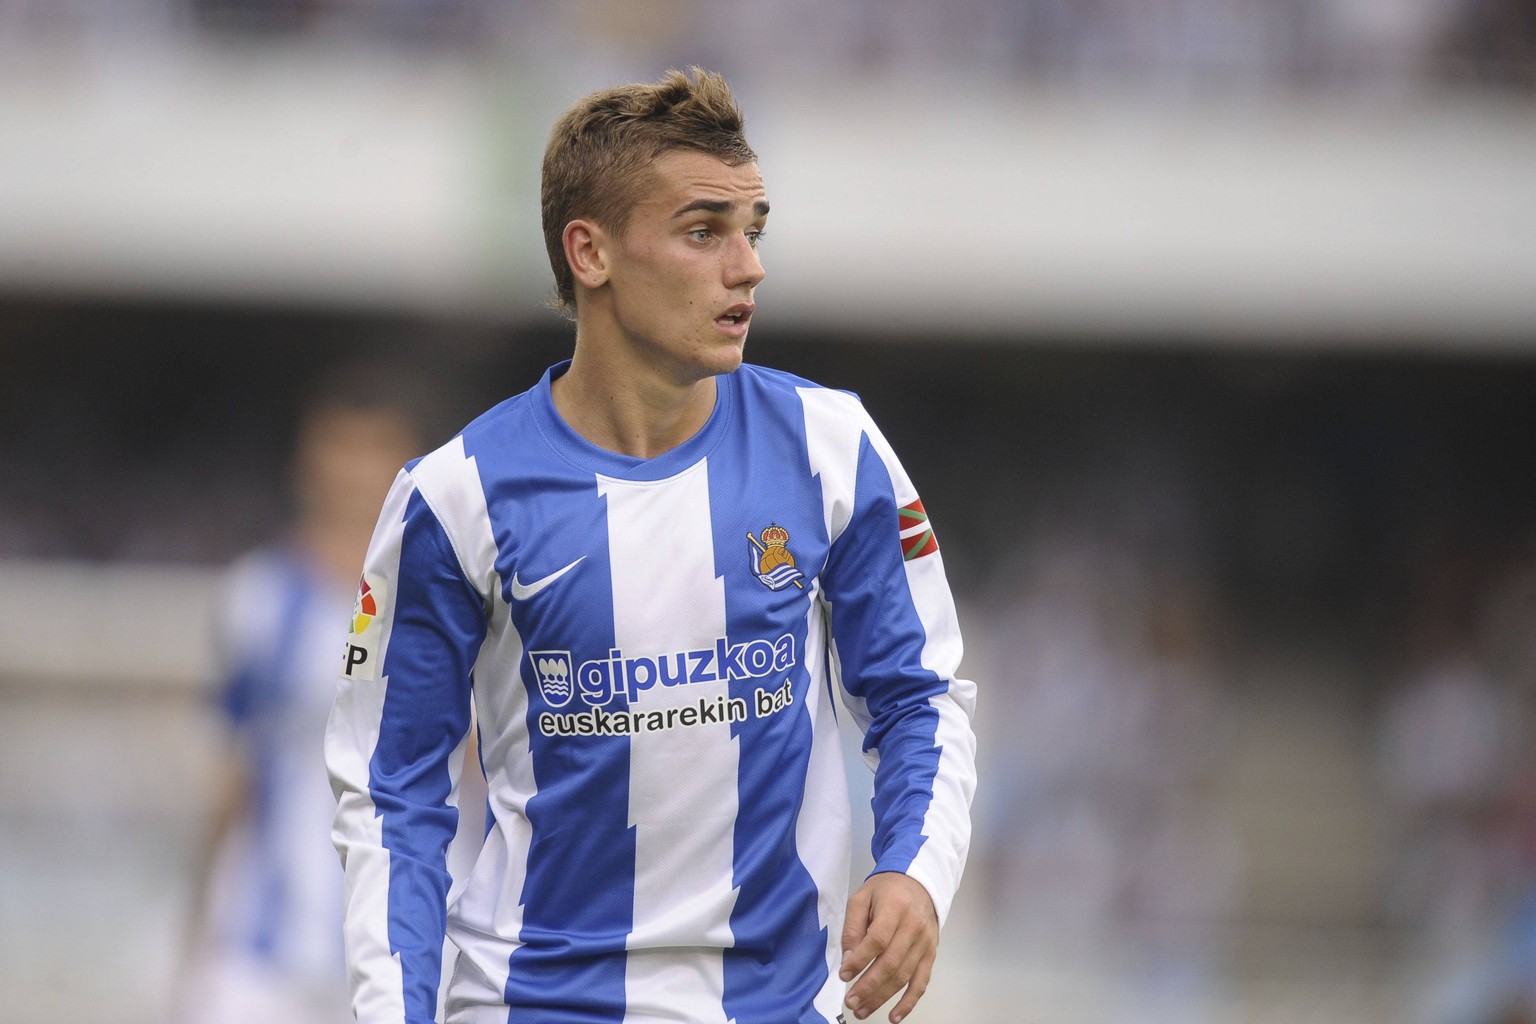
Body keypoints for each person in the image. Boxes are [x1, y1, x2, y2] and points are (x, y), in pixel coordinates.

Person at [326, 67, 977, 1024]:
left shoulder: (832, 448)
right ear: (589, 252)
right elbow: (392, 796)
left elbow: (919, 693)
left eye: (754, 229)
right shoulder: (456, 495)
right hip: (530, 1003)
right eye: (703, 230)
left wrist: (916, 872)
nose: (747, 265)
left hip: (780, 1004)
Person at [174, 379, 484, 1024]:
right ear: (306, 465)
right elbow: (233, 775)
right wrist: (195, 937)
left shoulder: (467, 604)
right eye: (338, 451)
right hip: (268, 955)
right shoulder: (257, 599)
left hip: (424, 947)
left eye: (373, 452)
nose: (352, 473)